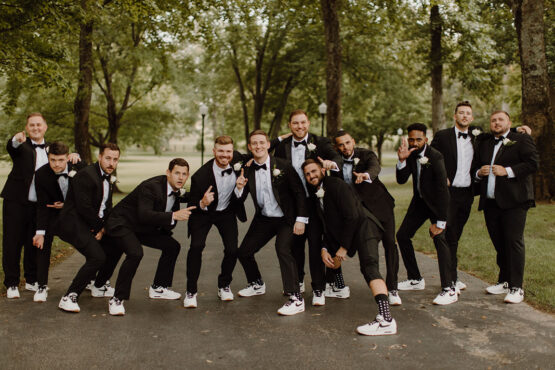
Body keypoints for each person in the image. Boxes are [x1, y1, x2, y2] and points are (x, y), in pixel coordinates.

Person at [431, 101, 532, 291]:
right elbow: (430, 156)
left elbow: (501, 132)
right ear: (455, 116)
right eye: (461, 113)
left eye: (468, 113)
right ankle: (450, 281)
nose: (465, 116)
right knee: (446, 235)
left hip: (468, 195)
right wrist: (440, 176)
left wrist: (518, 128)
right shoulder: (443, 136)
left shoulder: (479, 136)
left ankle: (456, 278)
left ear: (472, 118)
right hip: (449, 194)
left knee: (456, 236)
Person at [302, 159, 397, 336]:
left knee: (369, 268)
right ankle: (340, 287)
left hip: (364, 227)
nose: (311, 176)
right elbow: (327, 225)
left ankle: (386, 319)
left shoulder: (336, 184)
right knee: (338, 261)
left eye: (314, 171)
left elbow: (353, 216)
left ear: (322, 170)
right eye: (307, 174)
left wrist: (344, 247)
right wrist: (324, 248)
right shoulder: (316, 194)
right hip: (348, 231)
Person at [271, 109, 348, 305]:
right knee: (295, 245)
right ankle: (297, 281)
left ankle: (319, 288)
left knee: (315, 245)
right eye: (295, 123)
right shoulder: (282, 146)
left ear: (309, 123)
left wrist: (332, 164)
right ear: (290, 125)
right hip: (294, 205)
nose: (300, 126)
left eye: (303, 122)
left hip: (316, 203)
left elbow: (337, 157)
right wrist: (278, 138)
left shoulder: (319, 142)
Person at [102, 158, 194, 315]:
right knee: (135, 253)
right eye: (177, 173)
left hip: (141, 227)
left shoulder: (176, 189)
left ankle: (159, 288)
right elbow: (144, 215)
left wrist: (203, 202)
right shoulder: (151, 187)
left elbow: (189, 197)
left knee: (172, 246)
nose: (180, 177)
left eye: (184, 174)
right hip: (122, 223)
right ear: (168, 173)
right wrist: (173, 215)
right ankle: (117, 299)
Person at [1, 113, 79, 298]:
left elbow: (63, 160)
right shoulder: (21, 146)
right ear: (27, 128)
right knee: (12, 242)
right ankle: (12, 283)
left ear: (45, 127)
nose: (36, 128)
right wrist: (15, 140)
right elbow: (11, 147)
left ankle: (31, 279)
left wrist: (74, 156)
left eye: (39, 125)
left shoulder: (52, 149)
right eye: (32, 125)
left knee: (34, 241)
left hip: (40, 205)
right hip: (16, 202)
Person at [235, 129, 308, 316]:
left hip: (286, 218)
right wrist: (239, 188)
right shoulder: (248, 169)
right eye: (254, 144)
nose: (258, 146)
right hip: (264, 219)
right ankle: (257, 284)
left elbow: (299, 192)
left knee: (283, 249)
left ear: (268, 144)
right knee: (244, 252)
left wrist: (301, 219)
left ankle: (296, 298)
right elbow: (240, 199)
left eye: (262, 142)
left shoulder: (283, 165)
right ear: (250, 147)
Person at [472, 111, 538, 304]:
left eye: (501, 119)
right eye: (493, 120)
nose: (496, 122)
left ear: (509, 122)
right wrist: (478, 173)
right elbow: (475, 166)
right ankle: (504, 281)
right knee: (499, 243)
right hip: (491, 202)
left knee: (514, 242)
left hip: (515, 201)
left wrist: (507, 171)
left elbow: (533, 164)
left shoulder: (521, 140)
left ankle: (517, 287)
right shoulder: (484, 142)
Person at [333, 130, 401, 306]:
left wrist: (367, 175)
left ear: (353, 141)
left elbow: (375, 167)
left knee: (389, 245)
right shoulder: (336, 162)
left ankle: (392, 288)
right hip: (358, 213)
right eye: (340, 144)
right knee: (366, 248)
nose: (345, 147)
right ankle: (342, 282)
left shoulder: (366, 154)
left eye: (347, 143)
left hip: (380, 206)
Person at [184, 136, 249, 308]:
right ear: (214, 152)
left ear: (232, 152)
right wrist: (202, 203)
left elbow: (263, 148)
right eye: (220, 151)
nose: (225, 155)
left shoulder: (238, 166)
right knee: (196, 247)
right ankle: (191, 291)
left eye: (228, 151)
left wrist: (239, 189)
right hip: (204, 213)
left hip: (226, 212)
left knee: (232, 249)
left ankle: (224, 285)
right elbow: (192, 204)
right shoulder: (200, 176)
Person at [396, 123, 457, 305]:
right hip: (420, 202)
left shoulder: (436, 157)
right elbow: (401, 180)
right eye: (411, 139)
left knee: (440, 239)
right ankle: (415, 279)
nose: (414, 142)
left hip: (437, 204)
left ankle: (449, 288)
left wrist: (440, 222)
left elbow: (442, 190)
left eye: (418, 139)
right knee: (402, 235)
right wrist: (401, 160)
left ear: (426, 139)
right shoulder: (412, 153)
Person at [56, 143, 120, 313]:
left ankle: (98, 285)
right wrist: (98, 228)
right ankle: (69, 296)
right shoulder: (86, 176)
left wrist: (106, 228)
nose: (111, 163)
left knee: (115, 245)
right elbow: (84, 208)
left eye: (115, 159)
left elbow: (107, 207)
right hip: (72, 224)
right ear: (99, 157)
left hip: (89, 223)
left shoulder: (107, 177)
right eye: (107, 158)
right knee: (97, 257)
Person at [32, 141, 85, 302]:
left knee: (89, 243)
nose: (56, 164)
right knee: (42, 244)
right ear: (48, 158)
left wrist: (67, 205)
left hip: (75, 213)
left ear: (67, 158)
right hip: (51, 215)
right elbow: (42, 206)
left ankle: (91, 279)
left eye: (61, 160)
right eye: (53, 160)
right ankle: (41, 286)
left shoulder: (79, 168)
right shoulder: (41, 174)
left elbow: (87, 196)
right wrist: (39, 232)